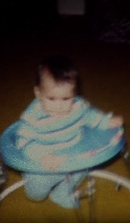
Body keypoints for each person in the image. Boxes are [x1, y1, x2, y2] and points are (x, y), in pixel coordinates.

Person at [16, 55, 123, 209]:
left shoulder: (78, 106)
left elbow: (89, 115)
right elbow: (23, 141)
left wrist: (106, 121)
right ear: (38, 93)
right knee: (36, 195)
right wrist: (41, 156)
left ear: (75, 94)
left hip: (73, 153)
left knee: (84, 166)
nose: (59, 106)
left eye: (66, 99)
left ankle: (62, 193)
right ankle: (36, 184)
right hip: (44, 163)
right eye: (51, 99)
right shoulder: (32, 117)